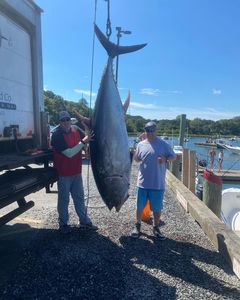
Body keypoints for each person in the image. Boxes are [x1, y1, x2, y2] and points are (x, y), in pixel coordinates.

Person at [51, 110, 97, 231]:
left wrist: (86, 146)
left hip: (76, 171)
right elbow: (70, 153)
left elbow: (88, 137)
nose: (66, 122)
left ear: (70, 120)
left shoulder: (76, 129)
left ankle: (84, 221)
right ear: (59, 122)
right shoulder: (56, 135)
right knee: (63, 200)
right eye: (63, 120)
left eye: (67, 119)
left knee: (79, 198)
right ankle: (63, 223)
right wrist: (83, 142)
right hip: (63, 173)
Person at [131, 121, 176, 239]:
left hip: (157, 183)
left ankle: (156, 227)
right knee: (139, 206)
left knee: (156, 208)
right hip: (142, 182)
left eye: (152, 130)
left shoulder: (163, 144)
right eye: (148, 130)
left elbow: (174, 156)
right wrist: (134, 152)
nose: (150, 133)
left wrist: (165, 158)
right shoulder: (141, 144)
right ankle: (137, 225)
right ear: (145, 131)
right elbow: (136, 159)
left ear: (156, 131)